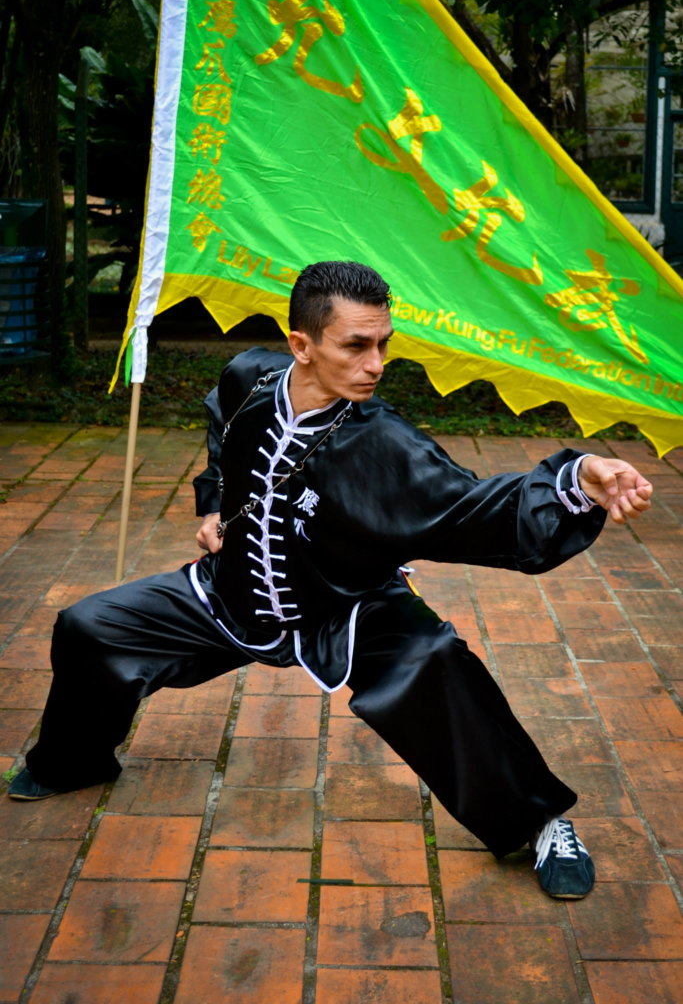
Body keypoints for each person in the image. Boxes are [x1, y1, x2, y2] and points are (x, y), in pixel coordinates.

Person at [10, 261, 653, 900]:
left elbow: (479, 508)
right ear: (302, 346)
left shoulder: (387, 444)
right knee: (89, 627)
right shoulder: (249, 378)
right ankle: (74, 758)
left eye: (383, 345)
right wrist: (214, 505)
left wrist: (574, 480)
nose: (376, 364)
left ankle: (540, 822)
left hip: (348, 605)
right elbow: (222, 429)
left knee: (436, 662)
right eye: (356, 345)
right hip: (231, 592)